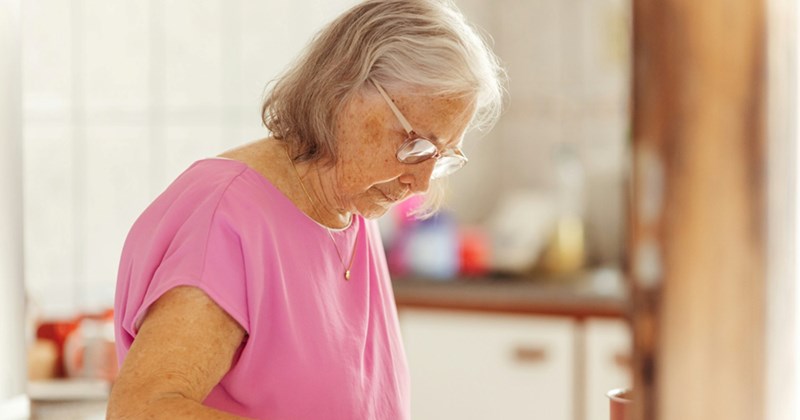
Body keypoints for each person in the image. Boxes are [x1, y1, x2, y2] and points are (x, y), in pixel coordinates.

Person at [106, 0, 505, 418]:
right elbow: (143, 409)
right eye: (416, 146)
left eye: (440, 157)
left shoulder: (352, 210)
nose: (421, 183)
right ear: (344, 92)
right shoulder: (226, 218)